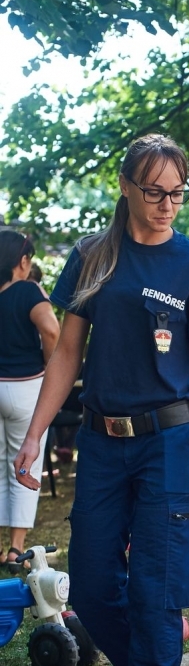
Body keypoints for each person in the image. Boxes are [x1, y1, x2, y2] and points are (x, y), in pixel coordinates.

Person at [14, 133, 189, 666]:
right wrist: (36, 435)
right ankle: (157, 663)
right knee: (95, 575)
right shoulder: (93, 257)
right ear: (127, 187)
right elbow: (68, 352)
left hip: (170, 439)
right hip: (104, 441)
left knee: (156, 587)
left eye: (177, 192)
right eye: (155, 190)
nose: (167, 203)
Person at [0, 229, 61, 564]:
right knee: (25, 465)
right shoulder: (28, 290)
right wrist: (53, 369)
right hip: (25, 387)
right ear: (22, 261)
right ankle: (14, 548)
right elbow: (51, 329)